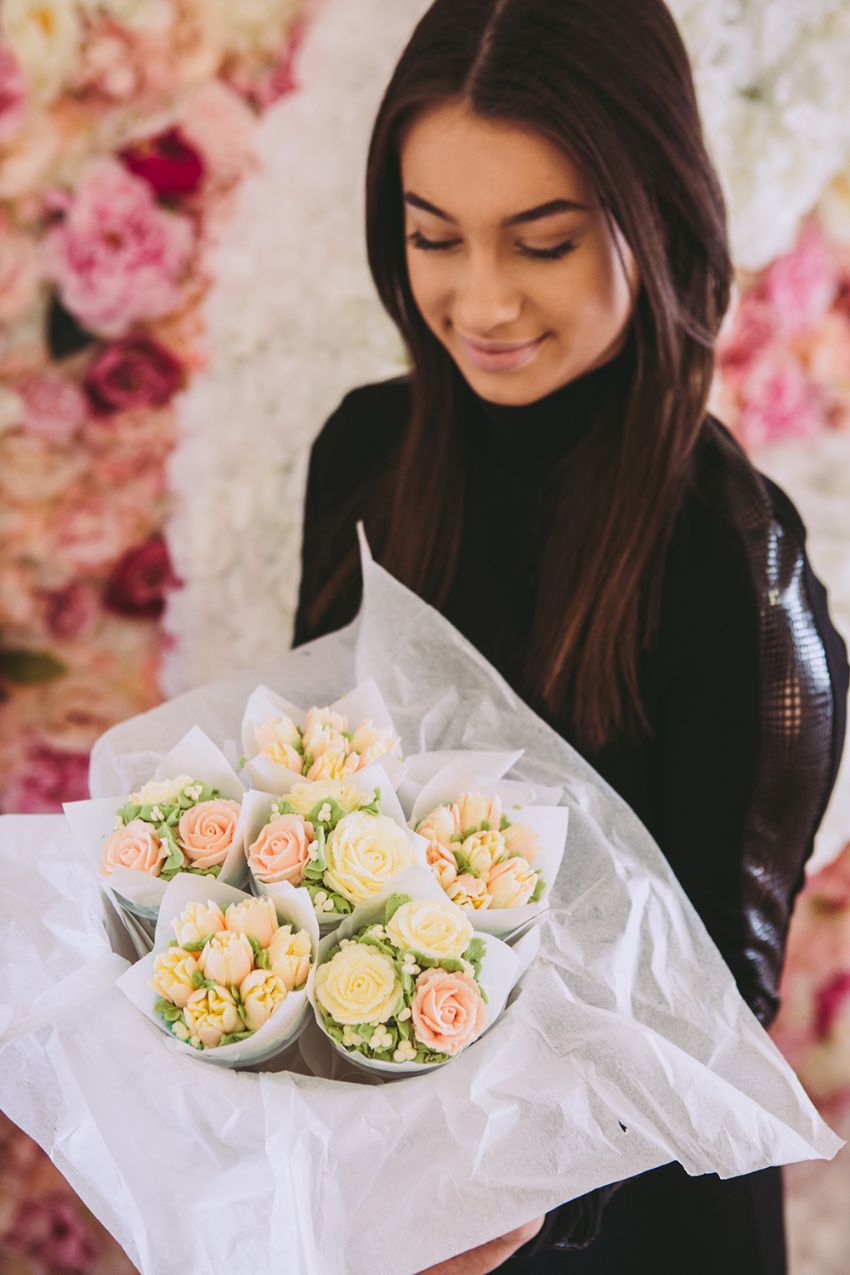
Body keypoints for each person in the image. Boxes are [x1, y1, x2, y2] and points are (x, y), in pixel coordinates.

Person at [292, 0, 850, 1271]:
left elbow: (707, 1026)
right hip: (391, 1178)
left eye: (540, 243)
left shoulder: (732, 563)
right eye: (435, 236)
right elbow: (313, 822)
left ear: (653, 219)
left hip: (628, 1214)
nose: (479, 301)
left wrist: (503, 1216)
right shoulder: (362, 457)